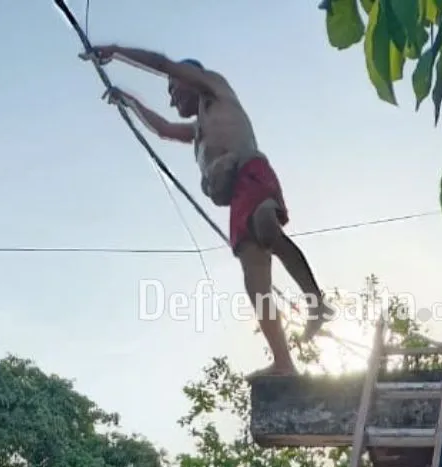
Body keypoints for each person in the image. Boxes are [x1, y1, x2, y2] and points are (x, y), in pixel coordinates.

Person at [79, 44, 333, 378]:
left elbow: (162, 63)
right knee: (255, 281)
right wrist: (127, 99)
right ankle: (284, 363)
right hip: (236, 200)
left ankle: (315, 302)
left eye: (173, 89)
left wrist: (116, 52)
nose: (171, 99)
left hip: (251, 172)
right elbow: (163, 129)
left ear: (190, 79)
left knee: (267, 226)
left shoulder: (215, 90)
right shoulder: (197, 131)